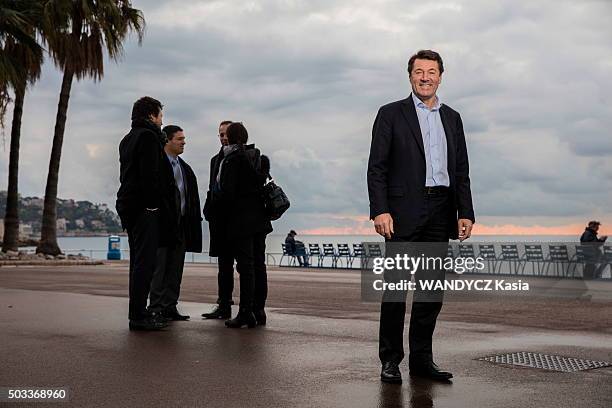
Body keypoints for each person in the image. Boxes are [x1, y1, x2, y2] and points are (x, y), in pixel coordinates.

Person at [367, 50, 475, 383]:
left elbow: (461, 169)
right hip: (401, 212)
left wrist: (465, 212)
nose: (425, 77)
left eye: (431, 71)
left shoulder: (453, 118)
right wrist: (380, 209)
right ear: (410, 76)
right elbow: (377, 167)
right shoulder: (390, 114)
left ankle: (422, 361)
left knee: (431, 291)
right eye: (419, 71)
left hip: (441, 210)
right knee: (396, 289)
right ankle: (390, 360)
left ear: (441, 76)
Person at [116, 96, 168, 331]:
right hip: (143, 208)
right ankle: (138, 315)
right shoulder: (148, 137)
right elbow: (150, 176)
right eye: (160, 116)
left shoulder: (128, 138)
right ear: (151, 115)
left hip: (129, 206)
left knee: (138, 262)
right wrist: (153, 206)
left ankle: (136, 311)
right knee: (145, 264)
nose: (161, 122)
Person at [212, 122, 272, 328]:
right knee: (259, 265)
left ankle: (245, 312)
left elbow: (226, 193)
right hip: (260, 221)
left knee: (245, 267)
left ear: (230, 136)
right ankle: (259, 310)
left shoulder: (232, 160)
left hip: (240, 221)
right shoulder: (259, 158)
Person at [149, 125, 202, 321]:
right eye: (179, 139)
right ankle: (155, 307)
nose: (183, 142)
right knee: (160, 268)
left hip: (182, 226)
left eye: (184, 138)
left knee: (176, 269)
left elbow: (191, 198)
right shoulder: (158, 165)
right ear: (168, 140)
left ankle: (170, 306)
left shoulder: (185, 168)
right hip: (163, 225)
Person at [202, 121, 235, 320]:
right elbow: (211, 187)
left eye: (226, 134)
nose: (223, 138)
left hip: (238, 221)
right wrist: (208, 210)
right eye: (220, 134)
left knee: (245, 266)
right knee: (224, 266)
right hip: (220, 221)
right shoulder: (215, 160)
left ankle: (252, 308)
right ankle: (224, 305)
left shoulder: (244, 157)